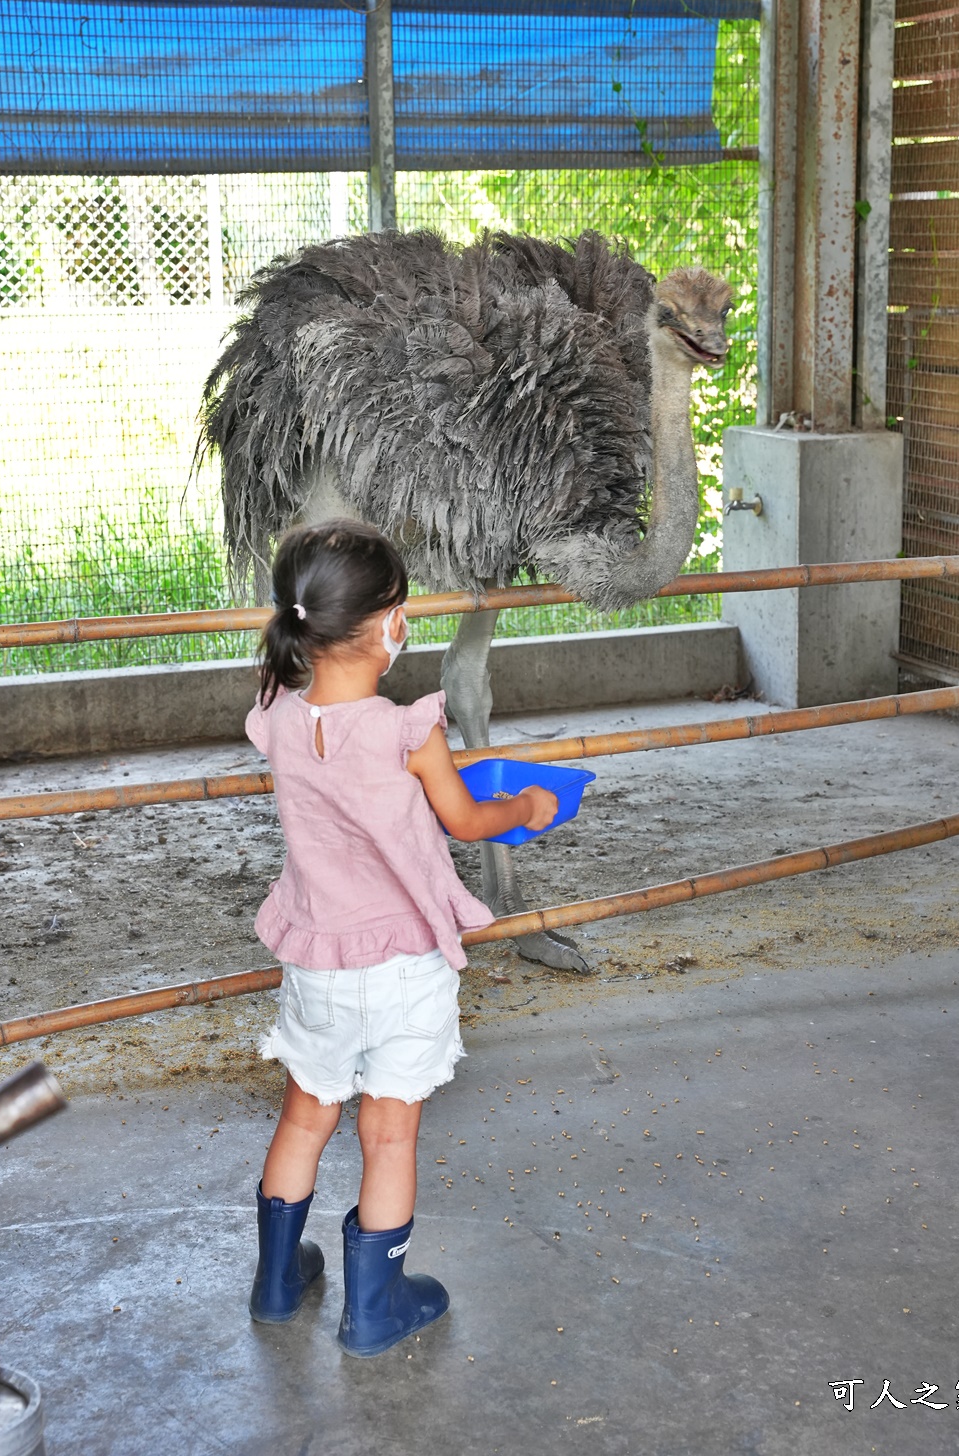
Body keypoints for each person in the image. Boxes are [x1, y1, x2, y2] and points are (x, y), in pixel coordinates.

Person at [243, 519, 558, 1357]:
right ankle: (375, 1309)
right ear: (388, 626)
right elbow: (464, 819)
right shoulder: (406, 729)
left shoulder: (274, 716)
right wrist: (526, 808)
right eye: (401, 611)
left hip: (315, 957)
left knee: (305, 1116)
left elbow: (305, 728)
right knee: (388, 1135)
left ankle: (276, 1285)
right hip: (403, 963)